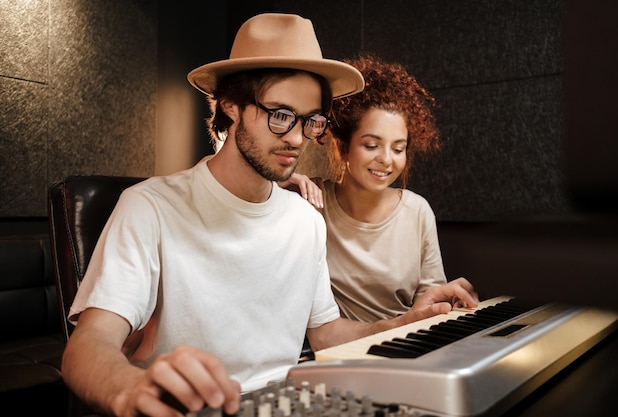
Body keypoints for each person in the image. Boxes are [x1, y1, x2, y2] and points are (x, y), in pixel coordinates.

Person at [61, 14, 478, 417]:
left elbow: (327, 334)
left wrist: (407, 322)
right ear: (231, 106)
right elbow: (88, 347)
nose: (297, 138)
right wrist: (129, 387)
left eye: (310, 121)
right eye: (280, 115)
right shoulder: (149, 206)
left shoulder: (307, 221)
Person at [309, 53, 477, 322]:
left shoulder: (418, 211)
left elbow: (430, 301)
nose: (386, 159)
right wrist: (284, 182)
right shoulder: (313, 203)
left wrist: (448, 302)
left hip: (406, 342)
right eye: (371, 145)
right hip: (338, 350)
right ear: (343, 148)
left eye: (398, 148)